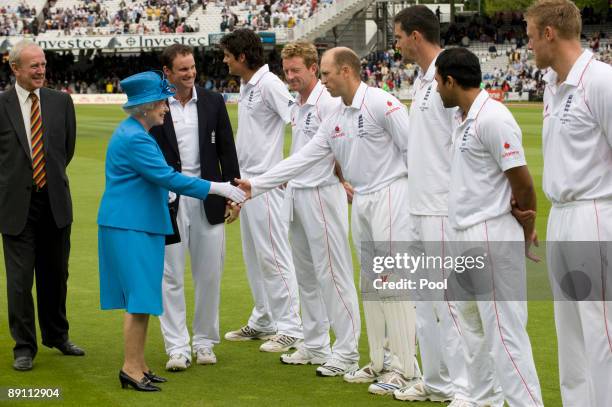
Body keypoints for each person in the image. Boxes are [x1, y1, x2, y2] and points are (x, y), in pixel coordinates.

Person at [235, 47, 419, 395]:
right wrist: (256, 185)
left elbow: (413, 151)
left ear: (346, 71)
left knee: (391, 283)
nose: (322, 81)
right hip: (363, 198)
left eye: (326, 75)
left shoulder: (381, 102)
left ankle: (405, 367)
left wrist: (415, 201)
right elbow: (304, 156)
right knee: (371, 282)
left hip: (391, 194)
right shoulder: (338, 113)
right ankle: (379, 361)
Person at [97, 71, 245, 391]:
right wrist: (221, 188)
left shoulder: (137, 133)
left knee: (144, 298)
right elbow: (171, 178)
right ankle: (131, 369)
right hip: (131, 225)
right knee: (139, 300)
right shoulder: (136, 137)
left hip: (136, 223)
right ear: (147, 106)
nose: (166, 107)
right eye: (162, 102)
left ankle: (140, 365)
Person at [392, 7, 501, 406]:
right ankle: (436, 381)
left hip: (442, 208)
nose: (396, 43)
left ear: (417, 35)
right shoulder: (424, 80)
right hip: (417, 206)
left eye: (399, 35)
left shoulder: (448, 73)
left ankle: (465, 388)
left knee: (453, 306)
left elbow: (465, 143)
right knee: (424, 303)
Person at [434, 47, 543, 407]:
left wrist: (527, 225)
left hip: (491, 235)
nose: (435, 88)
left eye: (437, 81)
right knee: (474, 330)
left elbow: (523, 182)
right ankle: (483, 401)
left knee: (505, 336)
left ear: (451, 80)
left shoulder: (492, 118)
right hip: (464, 234)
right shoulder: (460, 117)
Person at [525, 1, 612, 406]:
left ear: (549, 34)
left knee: (601, 332)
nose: (527, 45)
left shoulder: (601, 81)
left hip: (596, 214)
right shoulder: (552, 85)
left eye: (529, 36)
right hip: (561, 214)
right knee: (570, 336)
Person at [150, 44, 240, 371]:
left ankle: (204, 342)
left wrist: (234, 195)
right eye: (183, 69)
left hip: (210, 197)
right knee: (170, 275)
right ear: (168, 73)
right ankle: (177, 347)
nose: (190, 74)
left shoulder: (214, 102)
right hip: (167, 200)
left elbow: (227, 152)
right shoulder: (156, 104)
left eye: (192, 68)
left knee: (209, 274)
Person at [276, 42, 361, 376]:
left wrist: (343, 180)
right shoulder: (298, 104)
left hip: (322, 194)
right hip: (298, 193)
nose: (291, 76)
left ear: (314, 68)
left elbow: (340, 146)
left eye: (296, 69)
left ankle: (347, 352)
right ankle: (314, 344)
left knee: (333, 275)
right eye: (287, 70)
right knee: (307, 277)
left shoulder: (327, 101)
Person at [0, 40, 84, 372]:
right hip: (15, 207)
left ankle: (57, 335)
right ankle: (24, 346)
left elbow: (66, 149)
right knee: (20, 281)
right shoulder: (2, 104)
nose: (40, 71)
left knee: (55, 276)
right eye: (33, 65)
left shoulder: (61, 102)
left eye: (43, 64)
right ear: (14, 68)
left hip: (54, 202)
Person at [220, 28, 303, 352]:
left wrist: (286, 170)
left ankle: (291, 327)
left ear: (242, 56)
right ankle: (265, 318)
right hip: (247, 183)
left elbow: (297, 120)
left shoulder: (269, 84)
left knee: (274, 256)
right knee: (254, 257)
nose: (224, 60)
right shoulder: (248, 84)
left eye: (228, 55)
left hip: (267, 183)